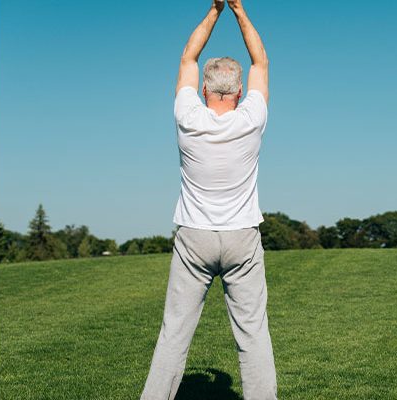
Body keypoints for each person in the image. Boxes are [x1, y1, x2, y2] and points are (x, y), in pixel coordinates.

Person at [140, 0, 276, 399]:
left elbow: (188, 55)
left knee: (174, 335)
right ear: (238, 91)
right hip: (241, 238)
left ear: (204, 89)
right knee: (253, 335)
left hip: (194, 239)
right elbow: (261, 61)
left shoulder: (188, 117)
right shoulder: (251, 118)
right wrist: (239, 10)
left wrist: (215, 9)